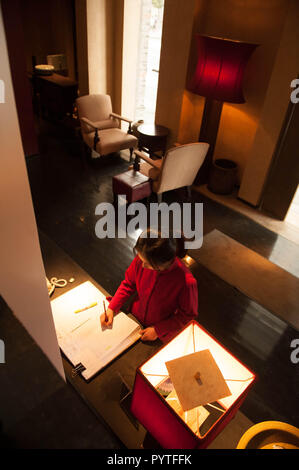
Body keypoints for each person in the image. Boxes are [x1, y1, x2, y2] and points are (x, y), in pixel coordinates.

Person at [100, 230, 198, 343]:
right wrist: (112, 308)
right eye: (141, 259)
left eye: (147, 263)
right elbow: (128, 284)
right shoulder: (143, 258)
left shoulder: (186, 282)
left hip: (160, 331)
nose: (142, 265)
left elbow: (187, 315)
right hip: (135, 318)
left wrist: (157, 330)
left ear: (163, 263)